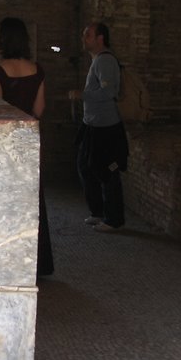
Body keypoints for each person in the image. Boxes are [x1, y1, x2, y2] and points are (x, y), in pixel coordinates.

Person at [0, 17, 53, 276]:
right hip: (30, 140)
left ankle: (7, 261)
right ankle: (38, 263)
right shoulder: (37, 70)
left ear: (3, 40)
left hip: (6, 143)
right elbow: (39, 109)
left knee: (4, 199)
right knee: (33, 201)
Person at [72, 21, 128, 232]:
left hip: (106, 128)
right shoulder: (96, 60)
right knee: (85, 167)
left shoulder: (105, 61)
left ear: (100, 38)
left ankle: (113, 219)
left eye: (88, 35)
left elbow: (109, 93)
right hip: (92, 125)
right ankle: (98, 212)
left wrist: (82, 95)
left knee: (107, 172)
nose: (84, 38)